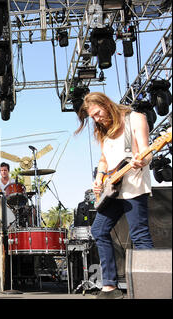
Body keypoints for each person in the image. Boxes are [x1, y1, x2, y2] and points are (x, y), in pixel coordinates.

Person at [75, 92, 153, 299]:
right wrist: (99, 177)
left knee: (140, 236)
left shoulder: (135, 118)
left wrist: (142, 161)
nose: (96, 119)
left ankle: (151, 286)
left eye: (97, 113)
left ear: (106, 104)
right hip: (113, 191)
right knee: (99, 230)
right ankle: (110, 286)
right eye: (92, 117)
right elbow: (104, 158)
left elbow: (147, 151)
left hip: (134, 187)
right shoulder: (104, 131)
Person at [0, 162, 15, 227]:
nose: (3, 172)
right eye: (2, 170)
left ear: (8, 171)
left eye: (5, 170)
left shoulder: (13, 182)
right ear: (0, 171)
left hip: (11, 205)